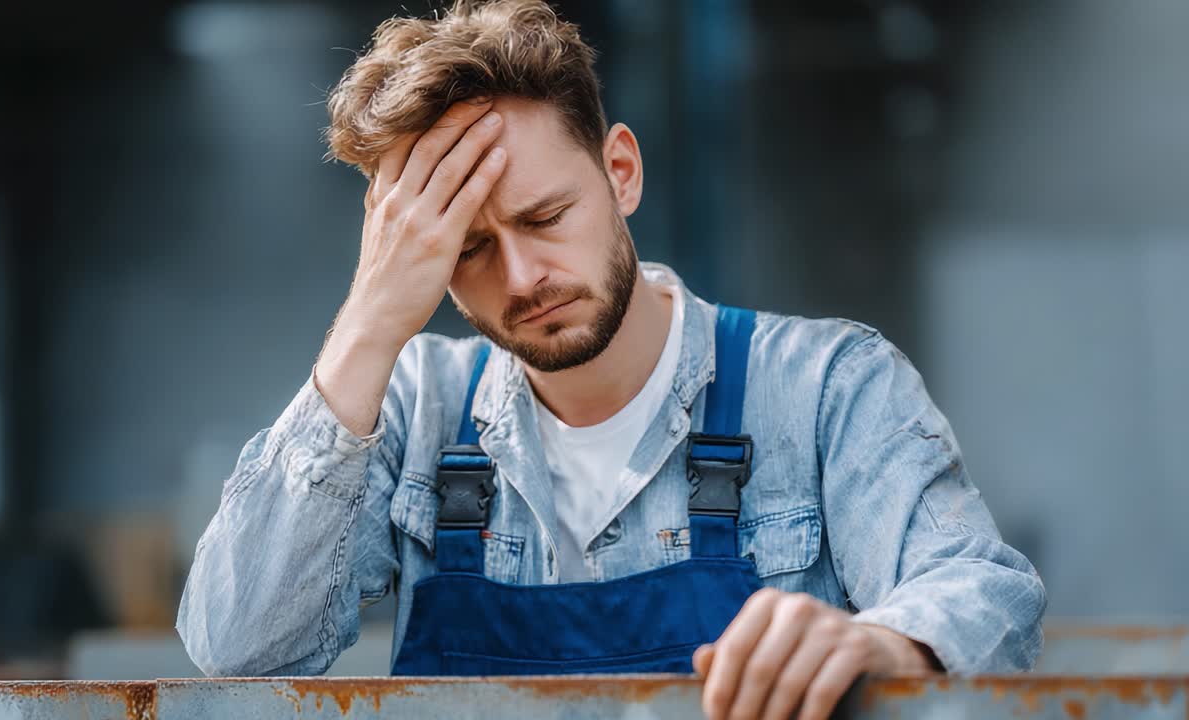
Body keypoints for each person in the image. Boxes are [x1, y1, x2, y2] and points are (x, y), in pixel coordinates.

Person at [177, 1, 1046, 718]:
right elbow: (235, 652)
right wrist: (369, 320)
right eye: (467, 249)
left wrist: (884, 643)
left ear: (619, 172)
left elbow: (983, 595)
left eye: (546, 217)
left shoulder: (826, 387)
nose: (523, 279)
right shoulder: (410, 412)